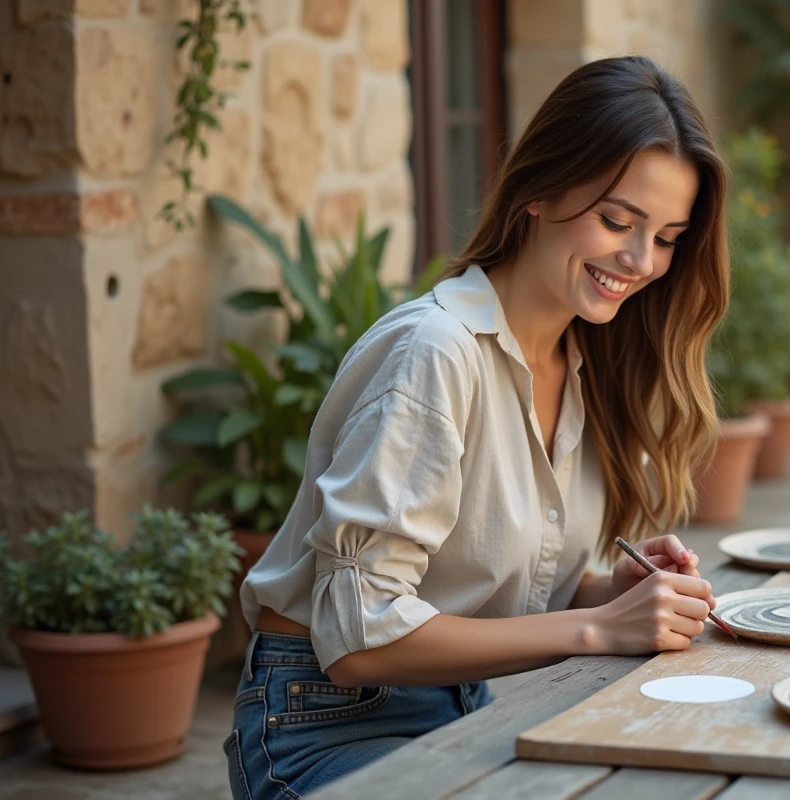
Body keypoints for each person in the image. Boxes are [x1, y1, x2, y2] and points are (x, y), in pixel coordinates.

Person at [223, 54, 731, 800]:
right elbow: (358, 638)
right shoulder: (433, 354)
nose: (639, 259)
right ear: (539, 190)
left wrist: (602, 593)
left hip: (474, 708)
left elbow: (481, 590)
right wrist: (600, 631)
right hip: (328, 727)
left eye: (666, 237)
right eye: (618, 221)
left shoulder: (587, 363)